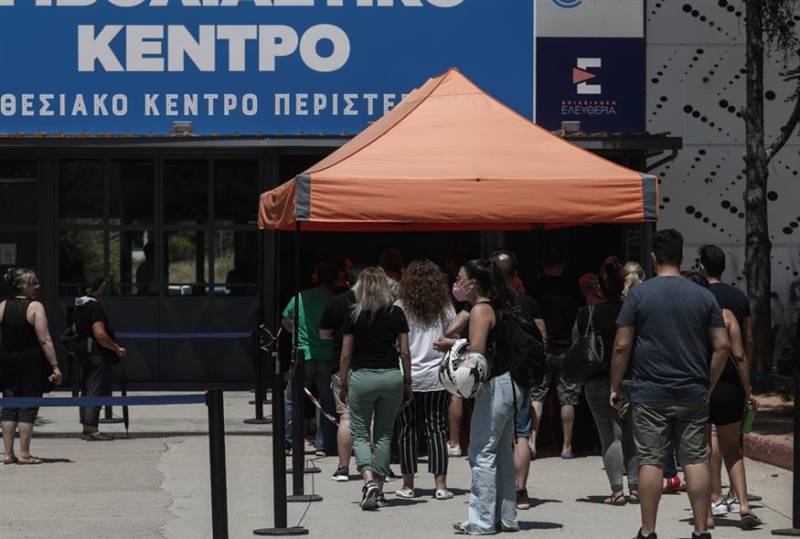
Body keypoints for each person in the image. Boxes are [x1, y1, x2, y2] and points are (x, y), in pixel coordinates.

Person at [610, 229, 730, 539]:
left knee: (650, 461)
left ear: (653, 258)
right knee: (695, 459)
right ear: (682, 257)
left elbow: (621, 345)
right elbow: (722, 346)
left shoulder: (639, 294)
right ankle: (701, 530)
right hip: (693, 392)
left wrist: (615, 385)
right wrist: (708, 383)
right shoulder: (703, 296)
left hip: (650, 392)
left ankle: (648, 530)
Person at [696, 246, 763, 529]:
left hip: (702, 382)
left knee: (702, 449)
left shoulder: (695, 306)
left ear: (701, 267)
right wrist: (748, 390)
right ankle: (744, 505)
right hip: (730, 384)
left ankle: (710, 508)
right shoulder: (733, 306)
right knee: (732, 448)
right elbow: (741, 352)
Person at [451, 259, 519, 535]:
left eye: (460, 279)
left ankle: (481, 521)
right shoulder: (498, 305)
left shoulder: (480, 309)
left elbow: (477, 351)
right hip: (509, 383)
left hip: (494, 386)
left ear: (473, 283)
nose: (457, 284)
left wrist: (452, 346)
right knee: (502, 453)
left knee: (481, 453)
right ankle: (506, 517)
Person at [338, 267, 411, 510]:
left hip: (363, 377)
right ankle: (379, 489)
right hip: (391, 376)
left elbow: (346, 354)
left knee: (359, 432)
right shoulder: (396, 313)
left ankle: (368, 480)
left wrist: (343, 383)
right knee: (384, 434)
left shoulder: (354, 314)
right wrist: (408, 381)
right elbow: (404, 352)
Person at [574, 257, 639, 505]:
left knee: (610, 436)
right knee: (631, 435)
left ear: (599, 287)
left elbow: (576, 342)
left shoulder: (587, 313)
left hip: (597, 379)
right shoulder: (632, 312)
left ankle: (617, 491)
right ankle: (635, 488)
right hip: (630, 378)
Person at [394, 260, 456, 500]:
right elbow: (453, 336)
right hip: (436, 376)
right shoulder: (444, 307)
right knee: (436, 429)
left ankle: (408, 484)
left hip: (407, 375)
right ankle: (441, 485)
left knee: (407, 430)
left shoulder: (400, 306)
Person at [491, 250, 547, 510]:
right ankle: (520, 490)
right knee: (522, 434)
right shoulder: (528, 302)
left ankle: (498, 491)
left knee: (494, 435)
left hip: (496, 376)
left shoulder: (488, 304)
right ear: (515, 274)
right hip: (522, 375)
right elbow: (541, 338)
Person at [1, 268, 62, 464]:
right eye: (34, 283)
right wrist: (55, 366)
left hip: (7, 362)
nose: (37, 286)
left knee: (9, 406)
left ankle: (8, 454)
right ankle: (24, 454)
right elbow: (45, 340)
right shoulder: (35, 307)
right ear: (23, 286)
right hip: (30, 363)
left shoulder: (2, 306)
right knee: (28, 407)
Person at [530, 247, 583, 459]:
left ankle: (532, 441)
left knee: (537, 397)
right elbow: (579, 317)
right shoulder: (572, 288)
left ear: (544, 264)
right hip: (566, 348)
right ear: (563, 265)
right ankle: (566, 446)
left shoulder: (535, 288)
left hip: (542, 349)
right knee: (567, 399)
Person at [281, 262, 337, 456]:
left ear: (316, 277)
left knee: (291, 399)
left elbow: (285, 320)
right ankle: (324, 445)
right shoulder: (334, 300)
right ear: (335, 280)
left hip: (302, 354)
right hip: (327, 356)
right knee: (327, 401)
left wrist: (295, 333)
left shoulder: (300, 298)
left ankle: (288, 443)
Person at [319, 265, 362, 481]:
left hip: (342, 365)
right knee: (372, 418)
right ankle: (376, 466)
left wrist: (338, 336)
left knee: (346, 417)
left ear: (347, 282)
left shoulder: (336, 302)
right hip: (373, 365)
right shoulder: (378, 304)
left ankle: (343, 467)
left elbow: (323, 333)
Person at [74, 277, 126, 441]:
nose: (105, 292)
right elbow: (100, 334)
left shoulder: (80, 306)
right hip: (96, 354)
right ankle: (92, 428)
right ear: (99, 289)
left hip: (83, 352)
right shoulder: (94, 307)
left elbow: (75, 329)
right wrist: (116, 348)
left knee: (86, 389)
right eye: (104, 288)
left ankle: (86, 427)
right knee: (95, 389)